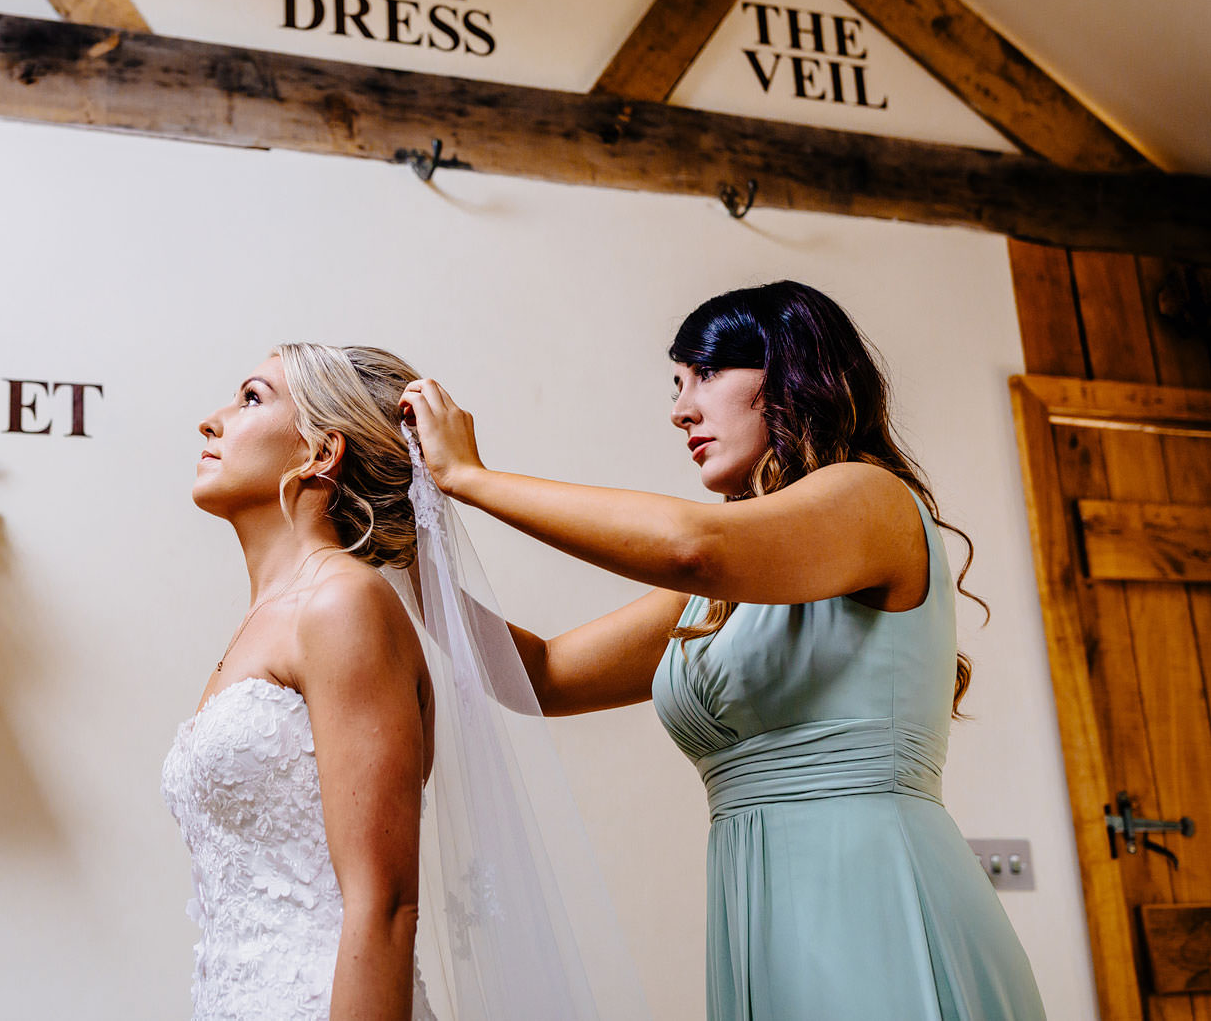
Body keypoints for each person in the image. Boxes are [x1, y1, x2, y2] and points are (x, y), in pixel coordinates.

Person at [401, 280, 1046, 1020]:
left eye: (704, 374)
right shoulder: (723, 589)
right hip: (759, 915)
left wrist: (471, 479)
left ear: (791, 369)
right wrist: (404, 548)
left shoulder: (870, 499)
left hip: (877, 896)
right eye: (677, 384)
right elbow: (542, 675)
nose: (680, 409)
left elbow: (690, 546)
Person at [164, 343, 439, 1021]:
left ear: (321, 453)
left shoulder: (343, 604)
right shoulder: (264, 621)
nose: (211, 420)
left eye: (251, 397)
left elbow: (385, 904)